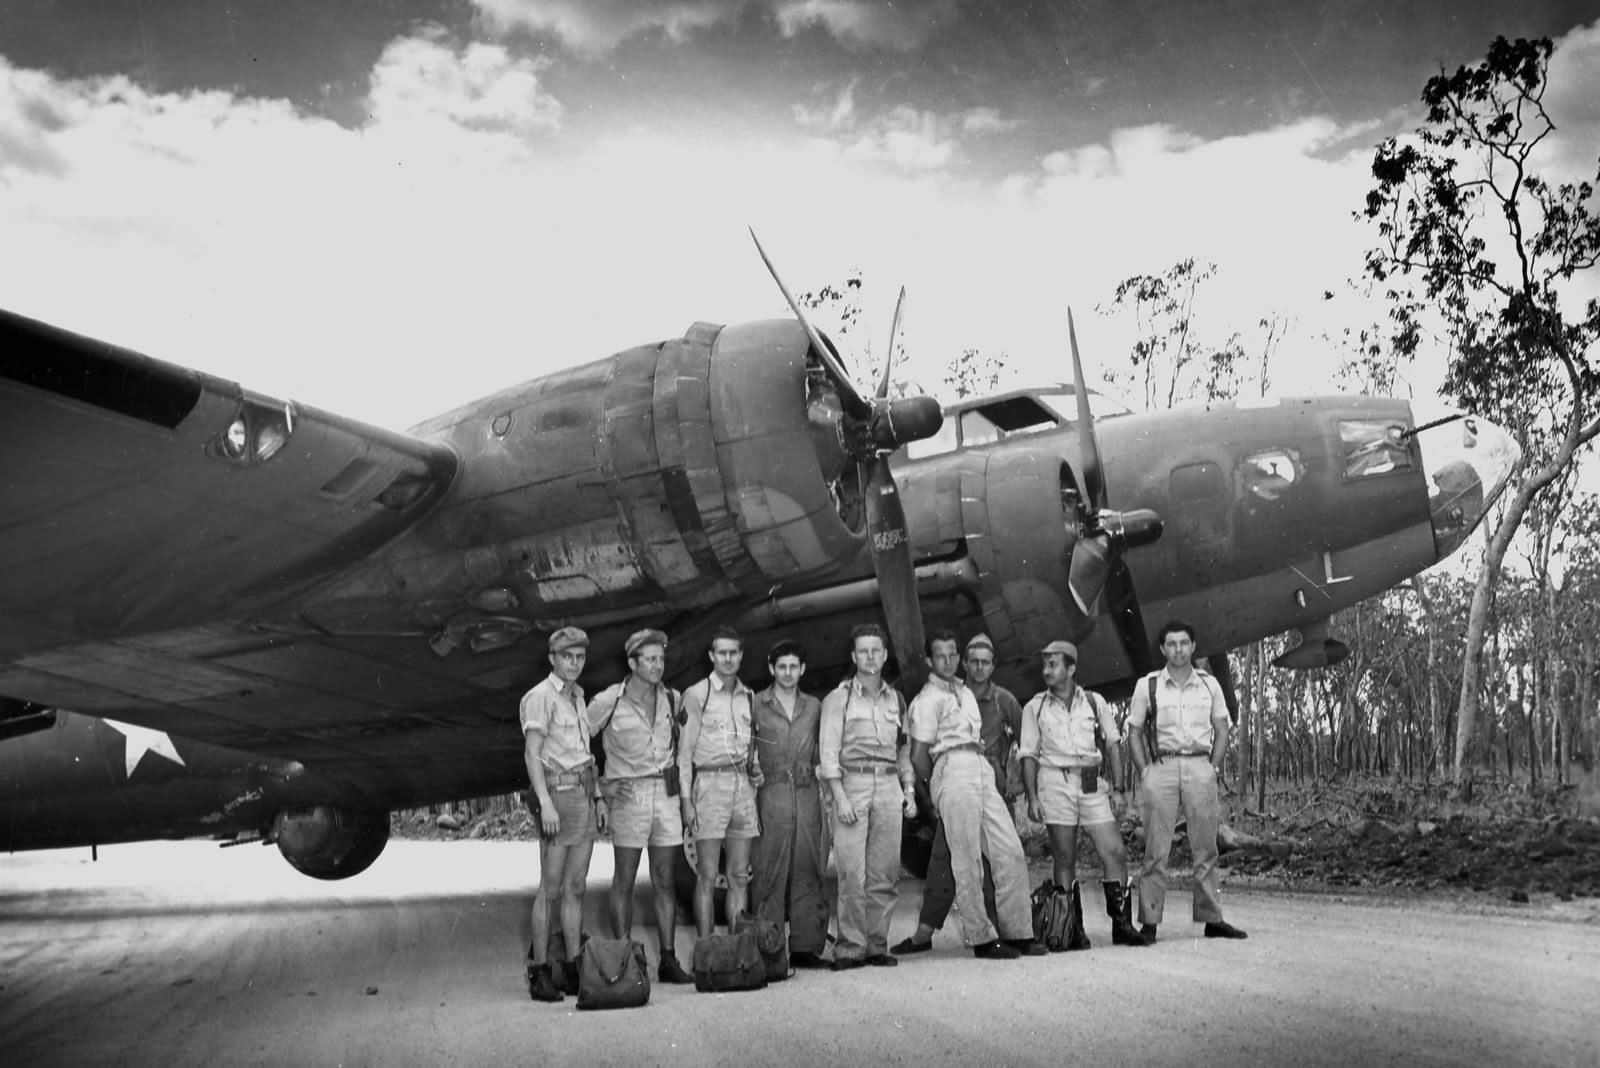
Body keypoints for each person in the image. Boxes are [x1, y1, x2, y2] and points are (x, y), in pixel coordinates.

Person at [907, 629, 1041, 960]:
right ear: (929, 660)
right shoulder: (926, 701)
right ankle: (981, 937)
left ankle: (1018, 932)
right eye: (941, 655)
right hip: (951, 766)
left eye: (953, 654)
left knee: (1008, 850)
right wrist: (939, 786)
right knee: (966, 859)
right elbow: (919, 755)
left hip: (980, 766)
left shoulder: (966, 694)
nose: (949, 661)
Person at [1019, 639, 1145, 949]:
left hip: (1090, 782)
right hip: (1055, 781)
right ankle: (1069, 928)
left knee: (1113, 851)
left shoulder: (1093, 701)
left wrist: (1117, 789)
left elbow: (1114, 743)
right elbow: (1028, 755)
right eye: (1045, 665)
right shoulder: (1034, 707)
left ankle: (1122, 925)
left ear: (1071, 668)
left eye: (1054, 664)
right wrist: (1033, 797)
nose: (1047, 670)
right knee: (1065, 856)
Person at [1126, 620, 1248, 942]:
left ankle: (1212, 918)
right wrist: (1145, 771)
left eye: (1184, 643)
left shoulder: (1209, 685)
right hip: (1162, 767)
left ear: (1193, 647)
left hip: (1199, 767)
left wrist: (1213, 767)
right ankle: (1149, 922)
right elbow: (1134, 732)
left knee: (1205, 848)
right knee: (1156, 849)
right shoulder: (1148, 685)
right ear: (1163, 649)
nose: (1178, 649)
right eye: (1172, 644)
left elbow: (1222, 728)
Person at [587, 628, 695, 983]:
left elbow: (684, 749)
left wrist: (685, 797)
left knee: (665, 880)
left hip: (665, 795)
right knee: (625, 881)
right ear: (632, 663)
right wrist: (600, 792)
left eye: (661, 658)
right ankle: (623, 960)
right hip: (628, 796)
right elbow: (576, 742)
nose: (657, 665)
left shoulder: (673, 699)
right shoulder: (609, 701)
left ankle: (667, 958)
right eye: (649, 659)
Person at [818, 623, 917, 970]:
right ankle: (849, 947)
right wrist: (840, 797)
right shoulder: (838, 699)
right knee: (851, 873)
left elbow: (902, 751)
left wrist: (909, 791)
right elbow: (828, 753)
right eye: (863, 651)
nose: (870, 657)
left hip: (889, 786)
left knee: (885, 873)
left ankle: (876, 945)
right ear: (853, 656)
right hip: (853, 785)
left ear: (885, 655)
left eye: (876, 650)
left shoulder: (897, 700)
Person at [521, 626, 603, 1002]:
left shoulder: (577, 696)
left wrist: (598, 798)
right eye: (567, 656)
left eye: (580, 657)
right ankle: (539, 973)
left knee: (576, 888)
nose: (574, 663)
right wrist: (545, 802)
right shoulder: (540, 697)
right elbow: (532, 753)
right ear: (552, 658)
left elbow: (586, 753)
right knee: (551, 889)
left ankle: (571, 969)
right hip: (559, 794)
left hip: (583, 793)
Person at [678, 625, 763, 937]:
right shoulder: (696, 695)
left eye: (733, 653)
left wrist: (755, 771)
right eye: (722, 653)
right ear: (712, 656)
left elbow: (751, 745)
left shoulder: (748, 696)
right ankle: (706, 951)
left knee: (739, 875)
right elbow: (684, 754)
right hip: (709, 787)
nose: (728, 659)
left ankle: (738, 951)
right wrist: (687, 801)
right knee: (707, 875)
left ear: (740, 656)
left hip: (742, 788)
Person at [749, 639, 829, 968]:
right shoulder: (756, 703)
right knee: (769, 870)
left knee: (809, 868)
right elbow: (743, 744)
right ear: (771, 669)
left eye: (793, 667)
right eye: (781, 667)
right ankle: (768, 948)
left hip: (808, 792)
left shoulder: (814, 706)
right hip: (772, 792)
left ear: (803, 669)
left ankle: (806, 948)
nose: (787, 673)